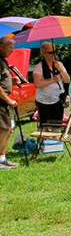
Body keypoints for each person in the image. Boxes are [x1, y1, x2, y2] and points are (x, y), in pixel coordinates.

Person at [33, 42, 71, 125]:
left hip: (58, 99)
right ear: (43, 54)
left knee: (57, 124)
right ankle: (44, 138)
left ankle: (55, 138)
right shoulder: (39, 66)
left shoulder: (59, 64)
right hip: (43, 100)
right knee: (44, 125)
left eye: (54, 52)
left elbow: (67, 80)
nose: (53, 54)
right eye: (50, 52)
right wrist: (52, 80)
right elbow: (37, 84)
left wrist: (60, 70)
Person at [0, 36, 19, 169]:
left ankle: (2, 158)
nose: (12, 50)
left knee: (8, 129)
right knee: (3, 129)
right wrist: (8, 100)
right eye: (10, 47)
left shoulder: (3, 61)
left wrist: (11, 81)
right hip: (1, 101)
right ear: (1, 46)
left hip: (4, 100)